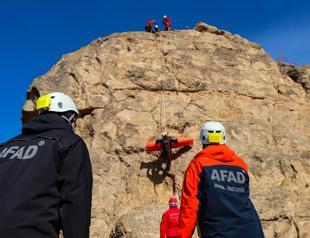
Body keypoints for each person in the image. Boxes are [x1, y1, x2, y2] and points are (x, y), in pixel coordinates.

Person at [0, 92, 93, 238]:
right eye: (74, 118)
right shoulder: (69, 142)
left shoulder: (5, 146)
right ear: (68, 115)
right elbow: (75, 202)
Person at [178, 122, 264, 238]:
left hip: (219, 232)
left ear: (203, 138)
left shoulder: (198, 165)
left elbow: (189, 208)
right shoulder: (241, 164)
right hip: (252, 230)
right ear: (223, 138)